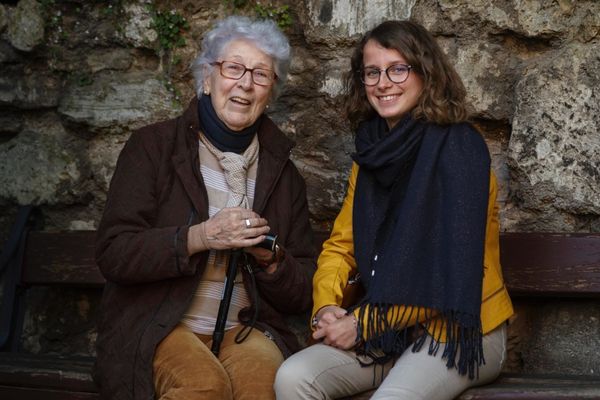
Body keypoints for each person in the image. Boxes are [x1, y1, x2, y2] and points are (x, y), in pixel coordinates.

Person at [274, 20, 514, 400]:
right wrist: (325, 308)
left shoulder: (460, 150)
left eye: (398, 68)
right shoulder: (370, 155)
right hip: (388, 332)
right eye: (373, 72)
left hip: (462, 331)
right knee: (295, 375)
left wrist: (362, 324)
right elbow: (342, 246)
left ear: (426, 73)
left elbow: (444, 268)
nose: (384, 83)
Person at [93, 16, 316, 400]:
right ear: (208, 77)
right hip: (160, 325)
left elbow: (301, 292)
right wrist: (200, 236)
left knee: (265, 387)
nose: (245, 83)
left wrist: (270, 259)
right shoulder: (154, 147)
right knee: (203, 386)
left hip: (243, 329)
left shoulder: (283, 172)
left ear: (271, 91)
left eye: (261, 75)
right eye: (233, 68)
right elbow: (114, 252)